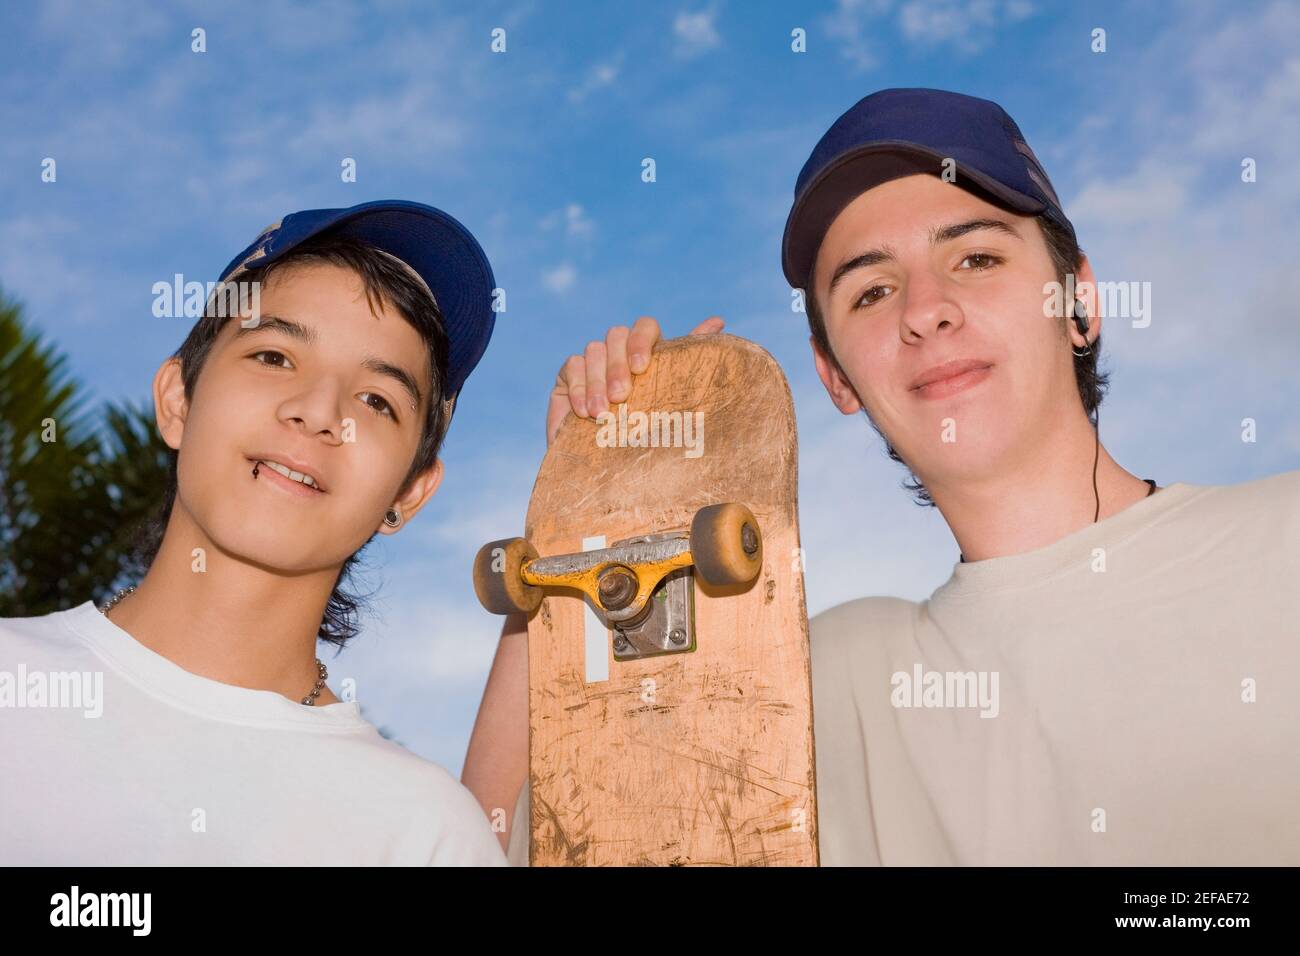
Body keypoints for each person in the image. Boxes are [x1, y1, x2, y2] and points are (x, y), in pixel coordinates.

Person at [465, 89, 1300, 865]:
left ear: (1078, 300)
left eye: (976, 257)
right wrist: (580, 518)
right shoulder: (824, 681)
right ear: (835, 377)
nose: (924, 309)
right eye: (871, 292)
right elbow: (483, 848)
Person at [0, 201, 507, 865]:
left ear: (408, 493)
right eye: (274, 355)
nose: (319, 412)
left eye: (376, 400)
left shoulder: (426, 833)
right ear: (178, 401)